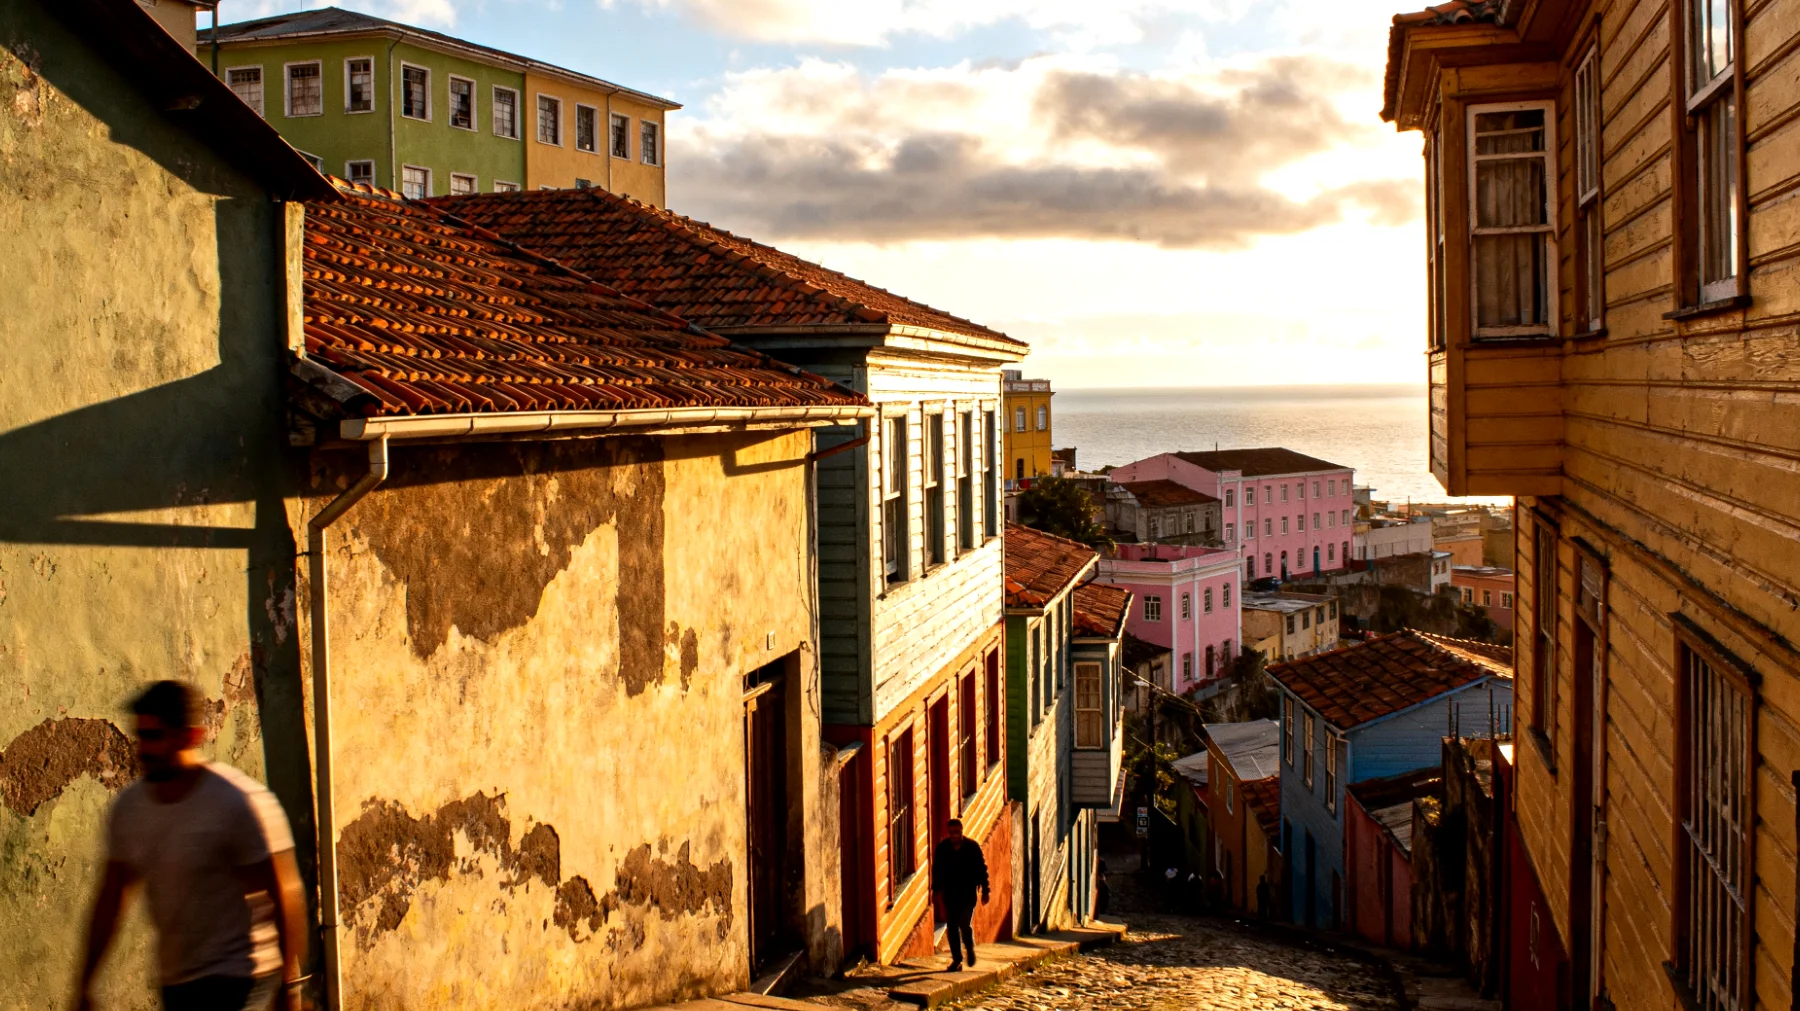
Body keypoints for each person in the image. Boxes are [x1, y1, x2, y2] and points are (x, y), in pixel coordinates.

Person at [73, 681, 307, 1011]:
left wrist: (290, 985)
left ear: (191, 737)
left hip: (242, 976)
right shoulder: (129, 809)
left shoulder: (237, 803)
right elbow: (112, 898)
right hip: (178, 983)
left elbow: (281, 891)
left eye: (155, 737)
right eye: (140, 736)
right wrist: (84, 984)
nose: (143, 749)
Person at [930, 819, 989, 972]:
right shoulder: (943, 848)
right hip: (949, 894)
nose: (954, 835)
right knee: (952, 927)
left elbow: (982, 869)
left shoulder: (972, 847)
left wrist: (985, 891)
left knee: (964, 924)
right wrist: (935, 890)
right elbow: (936, 870)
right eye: (951, 832)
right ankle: (957, 960)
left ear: (961, 830)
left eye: (956, 831)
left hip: (968, 893)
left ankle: (969, 948)